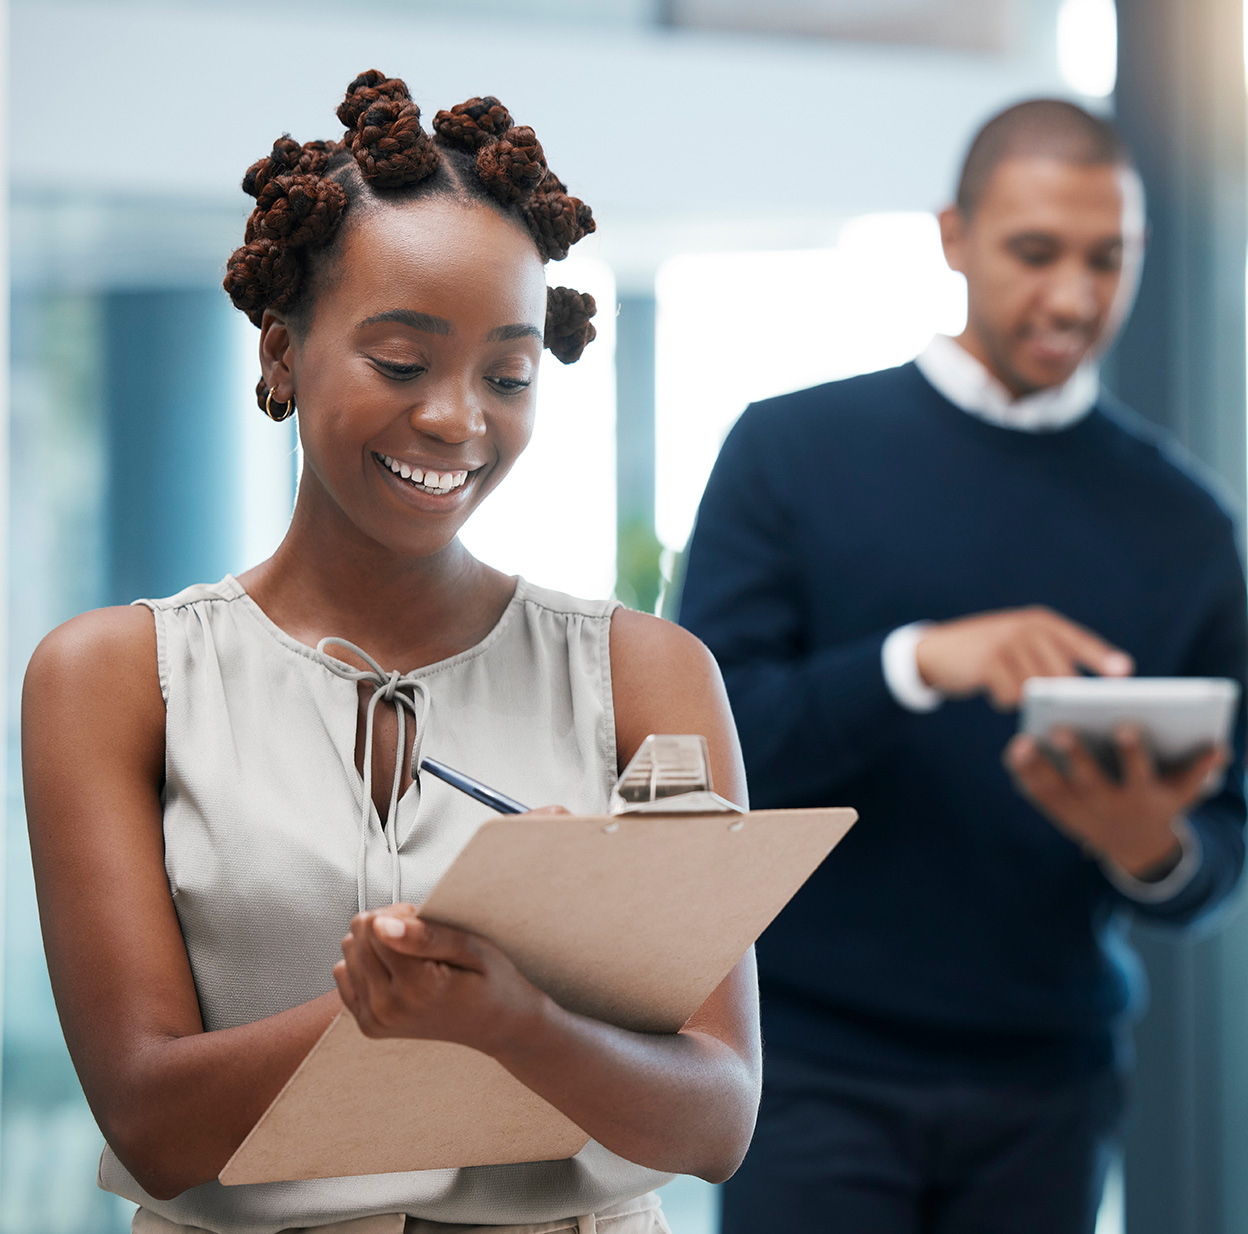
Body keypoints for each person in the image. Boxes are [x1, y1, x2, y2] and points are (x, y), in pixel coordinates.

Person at [21, 71, 761, 1234]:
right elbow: (150, 1122)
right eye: (403, 364)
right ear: (280, 354)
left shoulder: (648, 673)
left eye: (508, 376)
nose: (459, 420)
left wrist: (524, 1015)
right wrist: (419, 989)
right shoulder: (113, 677)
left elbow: (716, 1121)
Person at [679, 99, 1247, 1233]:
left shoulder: (1187, 525)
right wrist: (916, 663)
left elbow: (1225, 833)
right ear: (954, 235)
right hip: (811, 1069)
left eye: (1109, 259)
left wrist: (1153, 848)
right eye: (1037, 253)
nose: (1075, 298)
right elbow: (708, 757)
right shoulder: (788, 453)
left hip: (1051, 1082)